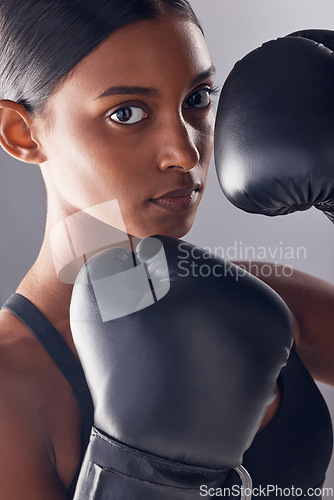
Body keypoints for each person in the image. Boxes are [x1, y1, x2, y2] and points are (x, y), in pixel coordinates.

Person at [0, 1, 332, 498]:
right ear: (22, 134)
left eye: (197, 99)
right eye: (127, 113)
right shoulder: (9, 389)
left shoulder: (263, 298)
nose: (186, 151)